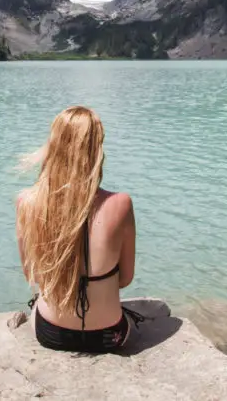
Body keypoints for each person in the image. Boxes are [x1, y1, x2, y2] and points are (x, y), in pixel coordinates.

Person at [15, 106, 143, 353]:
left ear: (53, 146)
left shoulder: (26, 202)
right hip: (109, 335)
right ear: (96, 150)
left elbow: (32, 275)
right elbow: (125, 279)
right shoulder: (121, 203)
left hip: (50, 333)